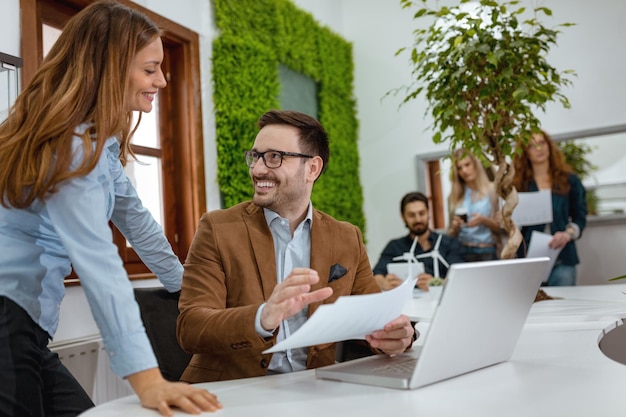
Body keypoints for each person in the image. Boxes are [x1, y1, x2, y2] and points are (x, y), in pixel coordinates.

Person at [0, 2, 221, 416]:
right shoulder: (69, 147)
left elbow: (141, 227)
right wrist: (149, 379)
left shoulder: (99, 150)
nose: (164, 80)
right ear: (111, 67)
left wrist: (187, 293)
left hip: (27, 327)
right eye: (150, 68)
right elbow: (99, 262)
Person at [176, 109, 415, 383]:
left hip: (314, 390)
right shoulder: (217, 229)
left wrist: (396, 336)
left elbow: (374, 322)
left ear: (312, 168)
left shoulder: (347, 237)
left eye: (274, 157)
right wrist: (262, 317)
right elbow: (191, 327)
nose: (257, 169)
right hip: (232, 391)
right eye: (255, 156)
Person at [512, 130, 587, 286]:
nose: (539, 149)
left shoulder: (569, 180)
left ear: (549, 145)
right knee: (535, 308)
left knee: (564, 307)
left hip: (562, 254)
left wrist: (568, 234)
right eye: (532, 146)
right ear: (525, 153)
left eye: (542, 143)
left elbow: (580, 216)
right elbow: (515, 223)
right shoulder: (519, 185)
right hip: (529, 257)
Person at [372, 192, 464, 291]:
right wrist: (383, 283)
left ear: (428, 212)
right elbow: (375, 275)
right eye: (411, 215)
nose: (418, 219)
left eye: (422, 213)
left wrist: (436, 284)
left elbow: (461, 278)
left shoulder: (449, 244)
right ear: (403, 217)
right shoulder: (394, 246)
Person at [447, 149, 501, 261]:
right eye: (459, 168)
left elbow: (502, 227)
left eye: (467, 164)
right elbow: (450, 234)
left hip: (487, 250)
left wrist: (483, 220)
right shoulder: (454, 197)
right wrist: (455, 227)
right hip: (462, 250)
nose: (464, 171)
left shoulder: (493, 191)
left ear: (476, 164)